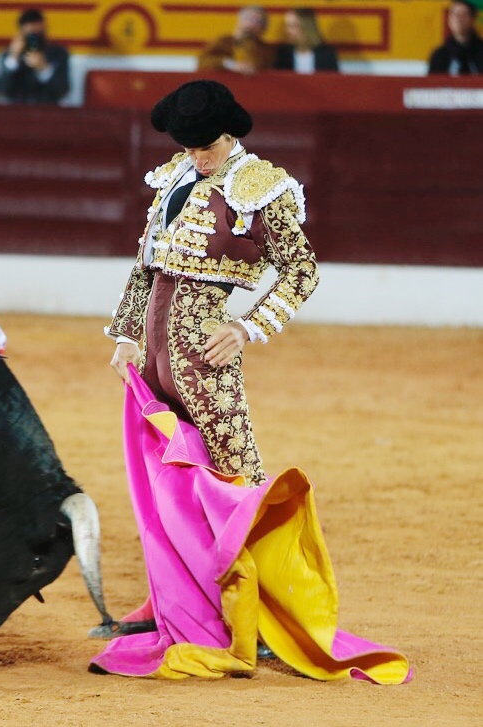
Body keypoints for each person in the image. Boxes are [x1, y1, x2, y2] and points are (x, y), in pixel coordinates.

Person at [91, 80, 411, 685]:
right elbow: (146, 267)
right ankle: (180, 603)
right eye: (188, 147)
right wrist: (127, 335)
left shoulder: (262, 185)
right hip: (158, 358)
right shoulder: (172, 180)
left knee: (235, 478)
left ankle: (260, 618)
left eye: (205, 146)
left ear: (230, 133)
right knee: (170, 487)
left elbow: (301, 270)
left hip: (206, 357)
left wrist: (248, 327)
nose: (197, 157)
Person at [0, 8, 70, 104]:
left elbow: (62, 91)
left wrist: (44, 68)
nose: (33, 39)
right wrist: (13, 58)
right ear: (21, 32)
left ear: (44, 28)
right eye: (29, 34)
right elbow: (2, 90)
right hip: (17, 111)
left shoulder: (58, 53)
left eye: (36, 34)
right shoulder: (9, 54)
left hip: (47, 111)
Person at [197, 5, 273, 74]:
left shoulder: (266, 49)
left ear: (263, 28)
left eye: (258, 22)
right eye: (248, 19)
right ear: (239, 21)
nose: (251, 24)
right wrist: (231, 64)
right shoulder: (223, 41)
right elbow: (203, 61)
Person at [273, 8, 338, 73]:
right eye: (287, 26)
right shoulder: (283, 54)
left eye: (293, 26)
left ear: (308, 27)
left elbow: (334, 81)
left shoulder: (326, 54)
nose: (288, 31)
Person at [428, 0, 483, 75]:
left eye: (464, 15)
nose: (458, 19)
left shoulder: (481, 52)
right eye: (454, 14)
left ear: (472, 18)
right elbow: (431, 85)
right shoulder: (440, 56)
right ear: (449, 19)